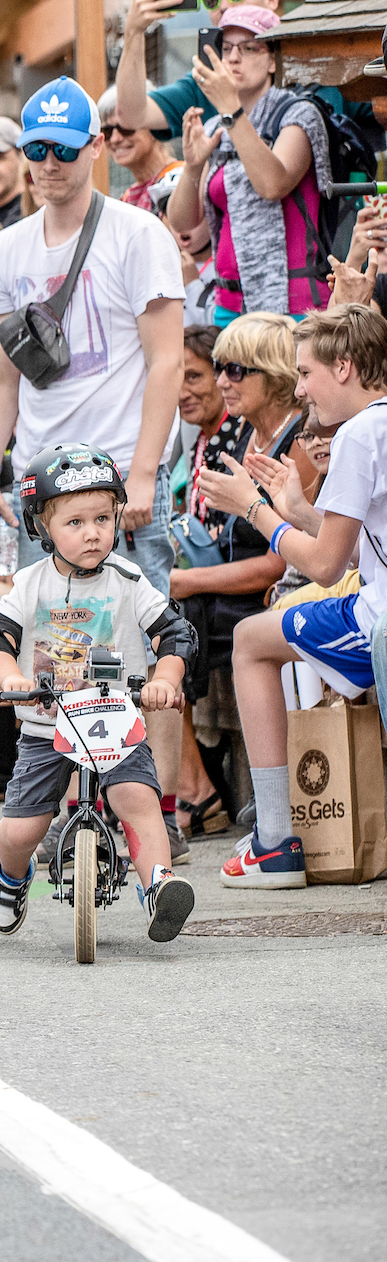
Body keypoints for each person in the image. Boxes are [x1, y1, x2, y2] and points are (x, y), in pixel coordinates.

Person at [0, 76, 188, 848]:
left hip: (120, 476)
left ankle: (155, 812)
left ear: (95, 147)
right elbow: (1, 377)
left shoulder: (139, 235)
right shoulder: (7, 247)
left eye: (64, 151)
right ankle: (71, 812)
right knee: (54, 648)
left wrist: (141, 472)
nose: (48, 165)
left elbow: (167, 364)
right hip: (40, 483)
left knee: (147, 645)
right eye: (36, 150)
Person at [193, 305, 387, 887]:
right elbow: (360, 550)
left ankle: (274, 842)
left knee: (252, 640)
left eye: (305, 373)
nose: (300, 389)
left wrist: (252, 508)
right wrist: (299, 511)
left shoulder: (358, 433)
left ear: (345, 366)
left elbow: (326, 567)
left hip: (379, 616)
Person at [0, 443, 198, 940]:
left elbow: (174, 633)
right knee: (22, 831)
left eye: (103, 517)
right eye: (75, 523)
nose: (93, 532)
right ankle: (10, 878)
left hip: (115, 716)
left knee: (137, 796)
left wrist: (165, 678)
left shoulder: (128, 579)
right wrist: (9, 674)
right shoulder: (31, 583)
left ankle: (159, 888)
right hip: (45, 723)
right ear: (42, 528)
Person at [167, 316, 301, 837]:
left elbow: (282, 562)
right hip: (239, 594)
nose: (224, 381)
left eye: (234, 369)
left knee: (167, 619)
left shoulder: (295, 443)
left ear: (271, 374)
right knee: (153, 621)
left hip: (274, 594)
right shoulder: (244, 435)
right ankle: (193, 787)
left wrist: (188, 582)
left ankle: (200, 793)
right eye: (219, 368)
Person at [164, 5, 332, 321]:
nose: (233, 58)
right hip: (227, 303)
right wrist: (193, 166)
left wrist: (230, 109)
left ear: (273, 60)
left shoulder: (299, 114)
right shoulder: (215, 126)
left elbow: (272, 185)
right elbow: (183, 222)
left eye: (249, 47)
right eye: (225, 49)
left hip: (293, 307)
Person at [117, 0, 285, 138]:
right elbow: (133, 116)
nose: (224, 6)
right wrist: (133, 31)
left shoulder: (301, 76)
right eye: (212, 0)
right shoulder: (206, 82)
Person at [98, 85, 180, 212]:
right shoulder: (128, 197)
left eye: (126, 128)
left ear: (156, 127)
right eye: (107, 131)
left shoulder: (179, 180)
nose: (115, 139)